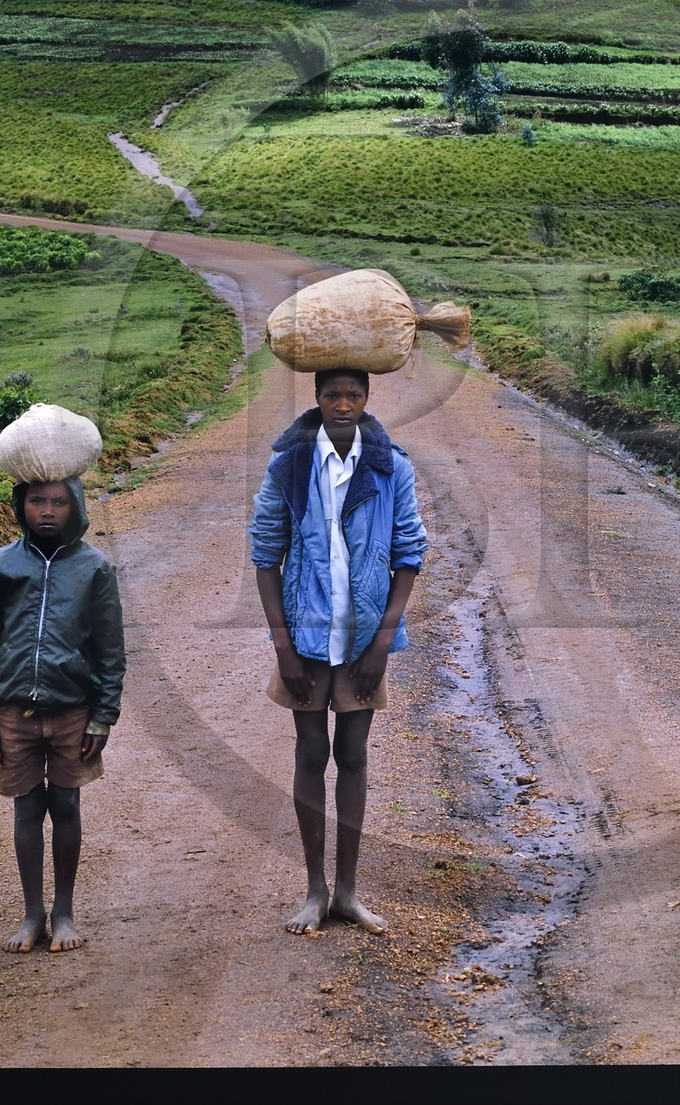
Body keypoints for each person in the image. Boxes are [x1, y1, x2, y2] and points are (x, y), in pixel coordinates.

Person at [250, 367, 428, 936]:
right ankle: (314, 891)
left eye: (354, 394)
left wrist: (382, 643)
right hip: (305, 636)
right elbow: (265, 555)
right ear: (318, 398)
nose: (343, 404)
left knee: (353, 755)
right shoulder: (289, 467)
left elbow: (408, 553)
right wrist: (282, 645)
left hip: (361, 640)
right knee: (309, 755)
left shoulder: (391, 466)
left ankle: (348, 893)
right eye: (333, 394)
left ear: (368, 399)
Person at [0, 475, 127, 953]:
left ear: (75, 506)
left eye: (59, 502)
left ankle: (64, 912)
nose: (47, 511)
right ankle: (32, 913)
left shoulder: (94, 568)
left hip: (73, 711)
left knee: (66, 806)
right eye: (37, 501)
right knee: (26, 809)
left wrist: (102, 716)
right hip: (13, 710)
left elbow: (110, 650)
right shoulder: (2, 565)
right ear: (21, 505)